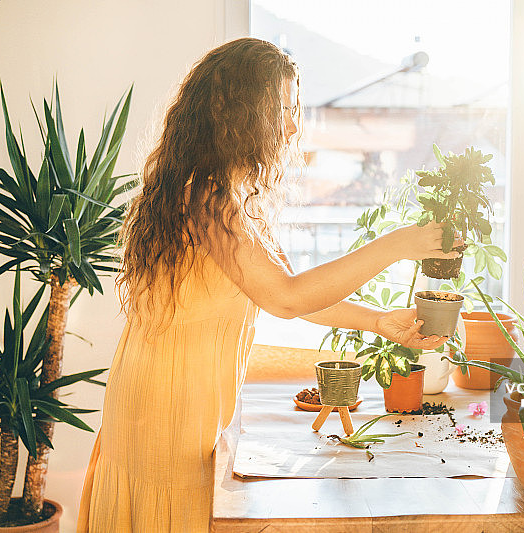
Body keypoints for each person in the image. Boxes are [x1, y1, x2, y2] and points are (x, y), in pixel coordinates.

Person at [77, 37, 460, 532]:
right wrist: (396, 245)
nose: (294, 125)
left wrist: (380, 323)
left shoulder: (231, 195)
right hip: (164, 410)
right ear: (240, 114)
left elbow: (291, 292)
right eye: (281, 109)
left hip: (184, 402)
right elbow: (285, 298)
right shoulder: (208, 197)